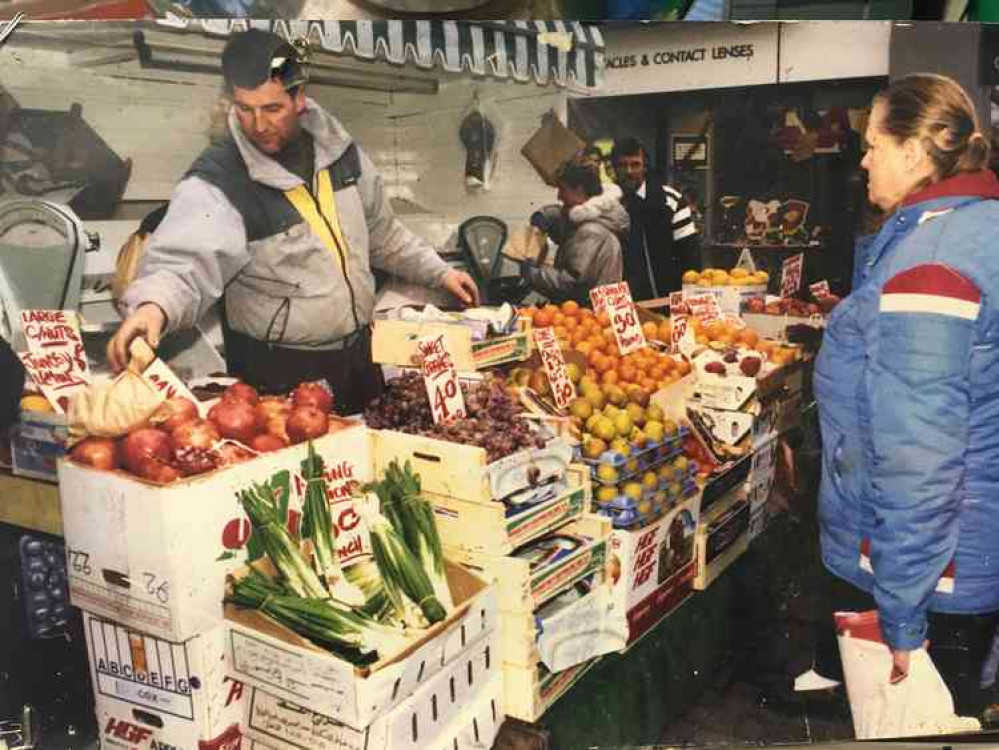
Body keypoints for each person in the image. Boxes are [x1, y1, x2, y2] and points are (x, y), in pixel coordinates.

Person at [108, 29, 478, 414]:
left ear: (300, 98)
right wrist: (153, 307)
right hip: (277, 379)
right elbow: (185, 263)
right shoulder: (221, 178)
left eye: (272, 109)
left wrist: (439, 273)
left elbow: (382, 234)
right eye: (244, 109)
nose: (258, 124)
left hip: (357, 358)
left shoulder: (343, 155)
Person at [813, 73, 999, 721]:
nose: (862, 158)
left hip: (937, 579)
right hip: (972, 554)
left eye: (871, 143)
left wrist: (899, 618)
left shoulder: (931, 259)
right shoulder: (977, 226)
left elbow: (917, 462)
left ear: (914, 154)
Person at [523, 159, 628, 305]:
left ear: (579, 190)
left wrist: (532, 273)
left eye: (562, 189)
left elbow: (570, 284)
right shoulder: (598, 218)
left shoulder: (591, 232)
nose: (559, 196)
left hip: (588, 317)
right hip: (596, 312)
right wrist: (546, 216)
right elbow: (569, 232)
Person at [611, 137, 699, 301]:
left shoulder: (671, 201)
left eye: (635, 164)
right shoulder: (605, 205)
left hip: (664, 302)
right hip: (619, 306)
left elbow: (690, 257)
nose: (629, 171)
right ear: (613, 169)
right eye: (623, 165)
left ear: (645, 167)